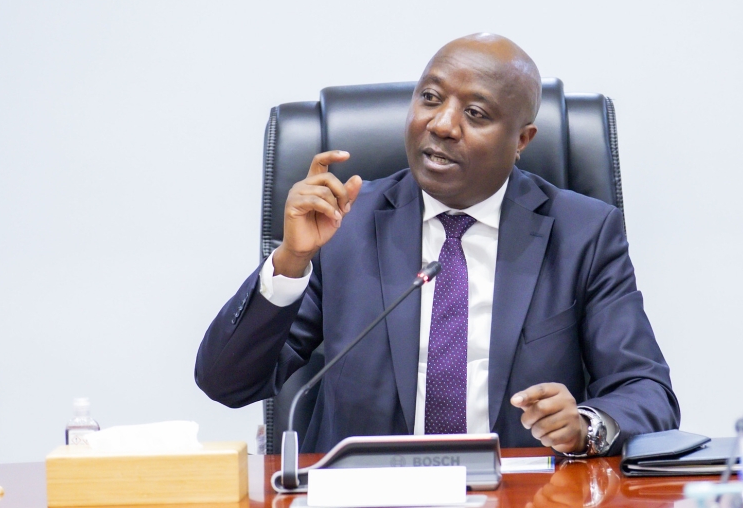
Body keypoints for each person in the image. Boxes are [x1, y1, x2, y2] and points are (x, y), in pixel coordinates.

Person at [195, 33, 679, 456]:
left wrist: (585, 427)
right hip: (367, 493)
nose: (443, 124)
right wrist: (291, 260)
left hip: (521, 492)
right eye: (430, 97)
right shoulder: (345, 225)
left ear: (521, 140)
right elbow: (227, 383)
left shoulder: (582, 233)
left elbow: (645, 391)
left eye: (475, 113)